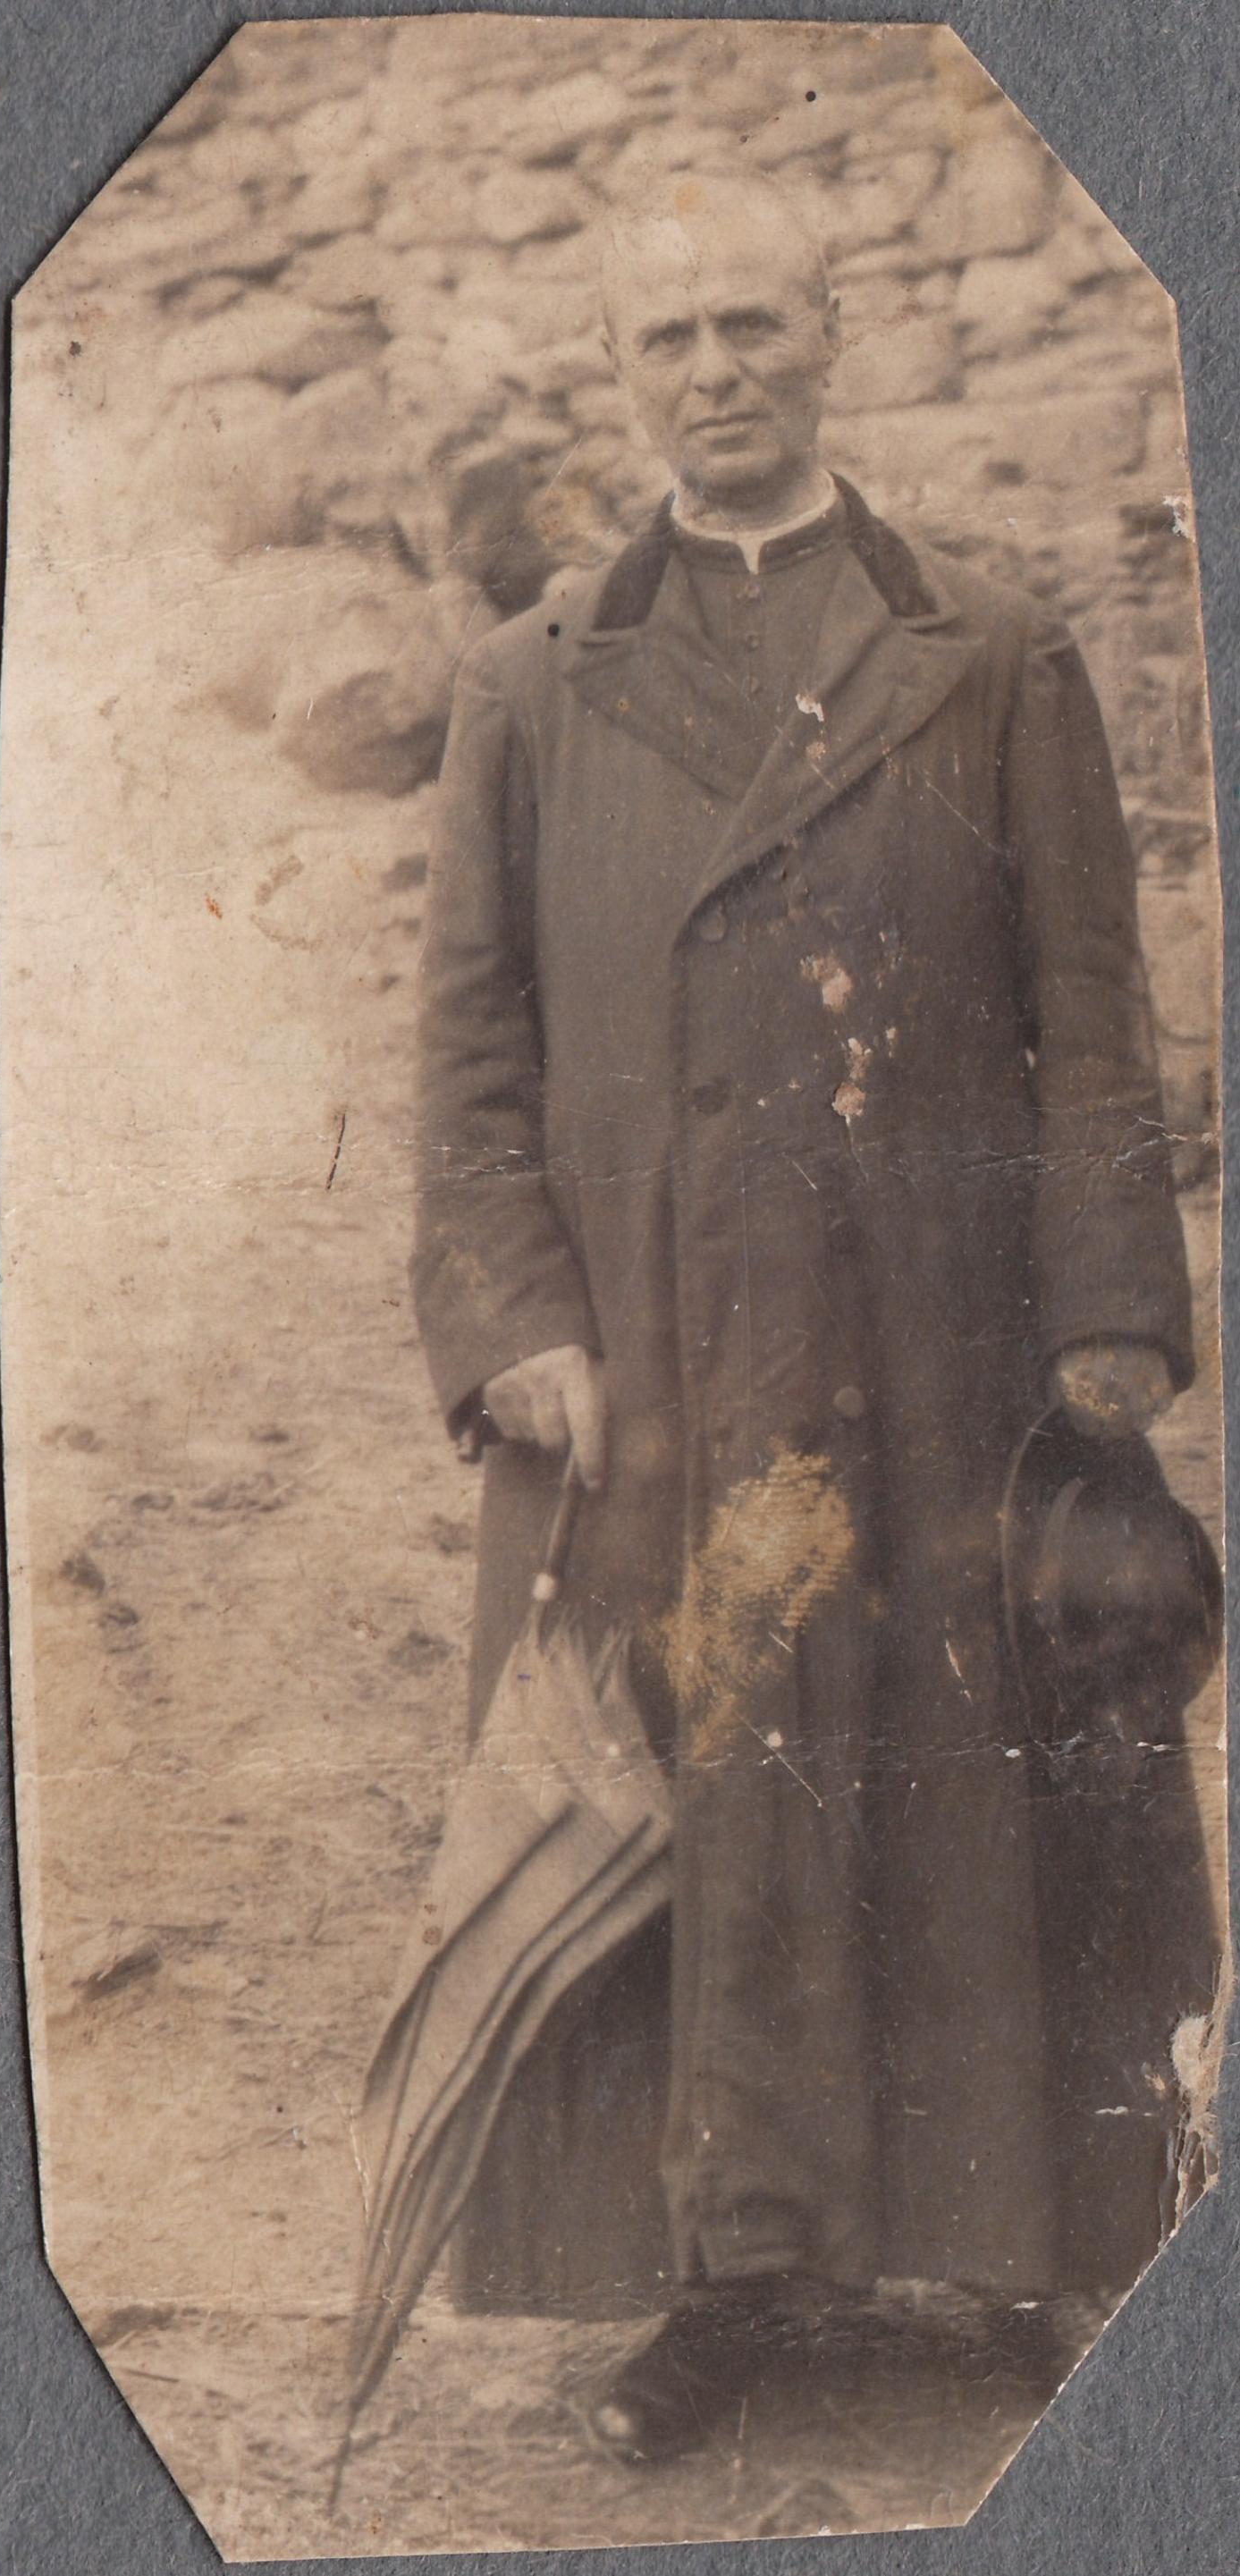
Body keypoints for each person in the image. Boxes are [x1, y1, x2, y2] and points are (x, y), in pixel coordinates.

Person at [409, 171, 1215, 2462]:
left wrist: (1108, 1323)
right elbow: (467, 1055)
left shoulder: (989, 648)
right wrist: (513, 1322)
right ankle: (719, 2284)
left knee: (984, 1783)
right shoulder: (533, 681)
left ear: (833, 333)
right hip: (653, 1366)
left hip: (945, 1345)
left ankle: (1028, 2246)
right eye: (669, 336)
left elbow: (1091, 1018)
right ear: (620, 375)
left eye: (755, 321)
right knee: (696, 1785)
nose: (717, 369)